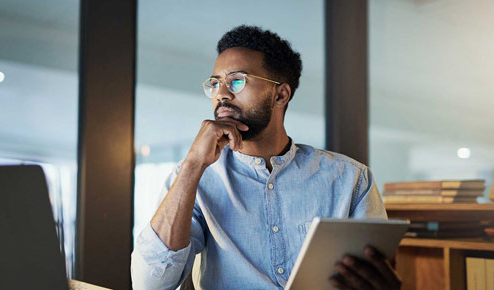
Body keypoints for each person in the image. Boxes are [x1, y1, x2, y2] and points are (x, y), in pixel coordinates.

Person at [131, 25, 401, 290]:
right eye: (215, 84)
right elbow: (150, 285)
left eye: (237, 80)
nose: (221, 94)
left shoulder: (351, 179)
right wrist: (192, 165)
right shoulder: (196, 177)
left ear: (280, 94)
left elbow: (374, 274)